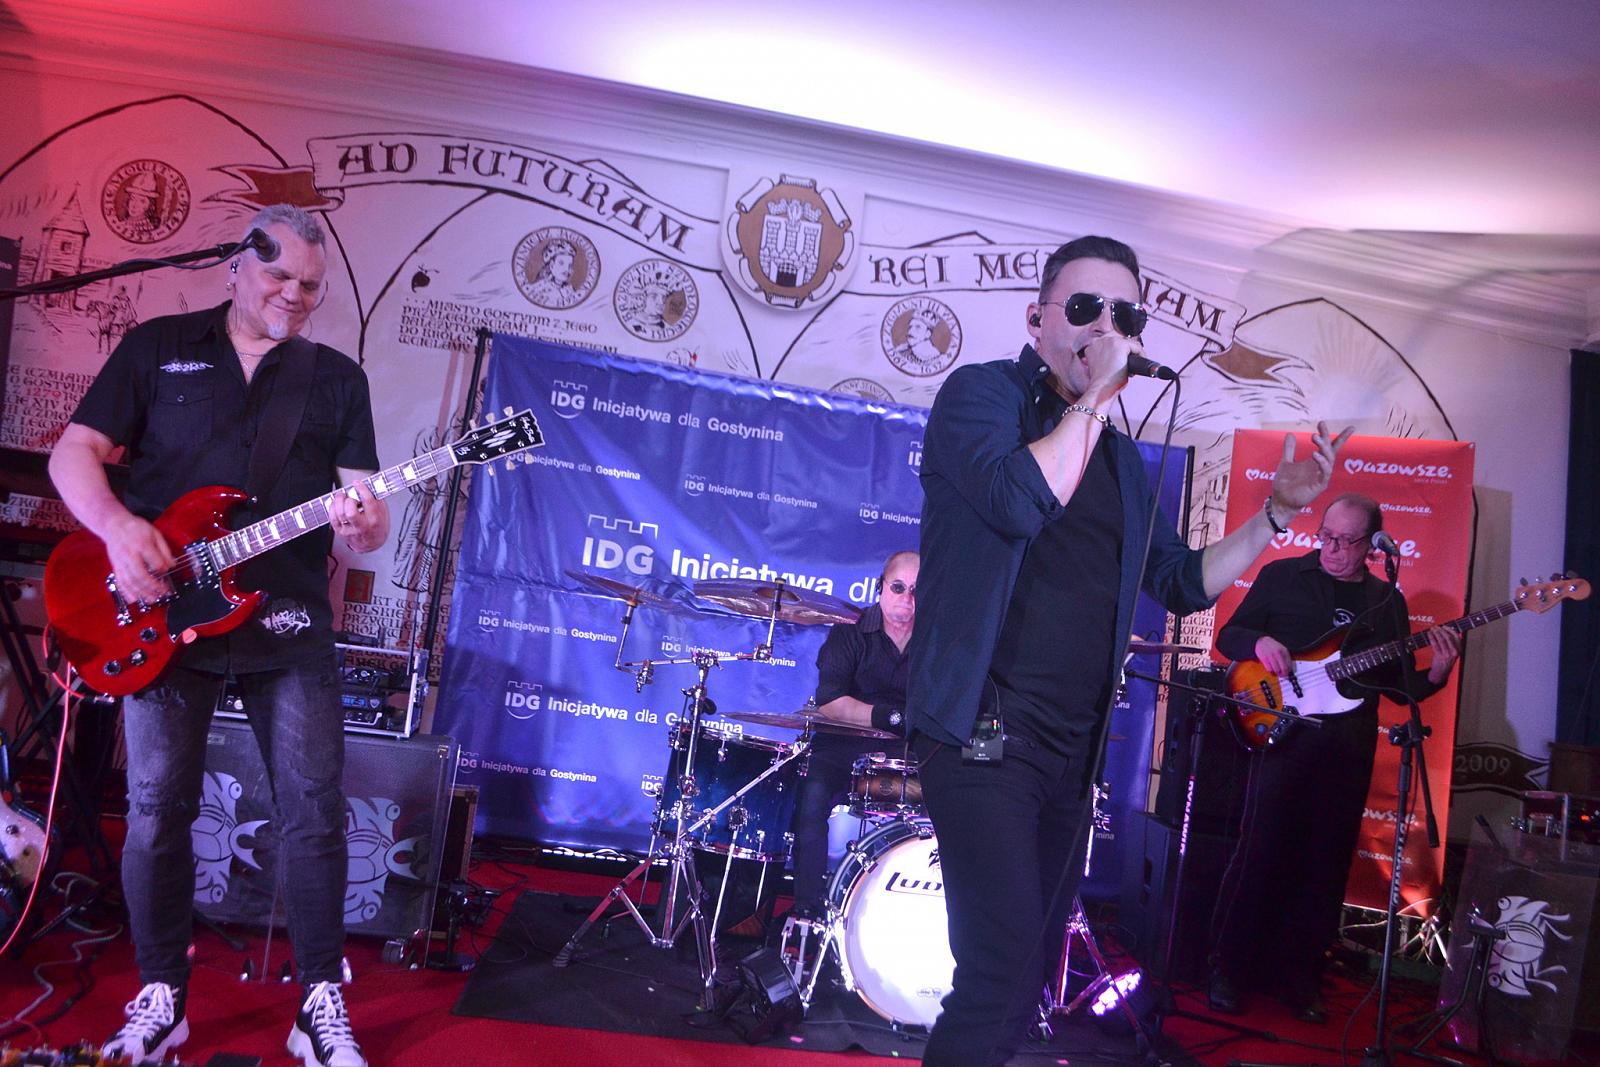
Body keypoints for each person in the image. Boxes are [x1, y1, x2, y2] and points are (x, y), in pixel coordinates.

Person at [906, 234, 1354, 1066]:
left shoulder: (1116, 457)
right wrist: (1095, 398)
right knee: (998, 970)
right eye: (1085, 308)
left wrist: (1276, 514)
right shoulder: (981, 395)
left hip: (1068, 754)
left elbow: (1183, 580)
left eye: (1124, 314)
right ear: (1038, 319)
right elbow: (1019, 500)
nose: (1105, 326)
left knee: (1028, 978)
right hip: (981, 732)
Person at [49, 203, 387, 1067]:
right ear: (237, 263)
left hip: (288, 618)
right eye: (279, 275)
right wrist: (120, 530)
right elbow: (71, 453)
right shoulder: (158, 347)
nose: (295, 295)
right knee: (157, 809)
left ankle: (318, 1000)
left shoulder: (335, 378)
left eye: (311, 285)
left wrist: (366, 523)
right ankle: (162, 995)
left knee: (314, 811)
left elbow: (363, 512)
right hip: (161, 617)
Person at [1206, 492, 1460, 1022]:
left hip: (1346, 749)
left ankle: (1300, 981)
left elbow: (1400, 689)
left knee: (1324, 866)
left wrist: (1436, 673)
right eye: (1326, 536)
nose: (1332, 548)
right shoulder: (1282, 576)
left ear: (1372, 547)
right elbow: (1230, 636)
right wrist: (1260, 643)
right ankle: (1228, 971)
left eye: (1346, 541)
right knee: (1259, 855)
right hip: (1283, 739)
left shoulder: (1385, 602)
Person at [719, 550, 917, 939]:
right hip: (842, 744)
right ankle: (810, 912)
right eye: (898, 587)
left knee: (949, 803)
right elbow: (831, 702)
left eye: (916, 591)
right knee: (810, 801)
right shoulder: (849, 631)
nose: (907, 599)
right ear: (880, 588)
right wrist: (892, 718)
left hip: (904, 750)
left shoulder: (936, 640)